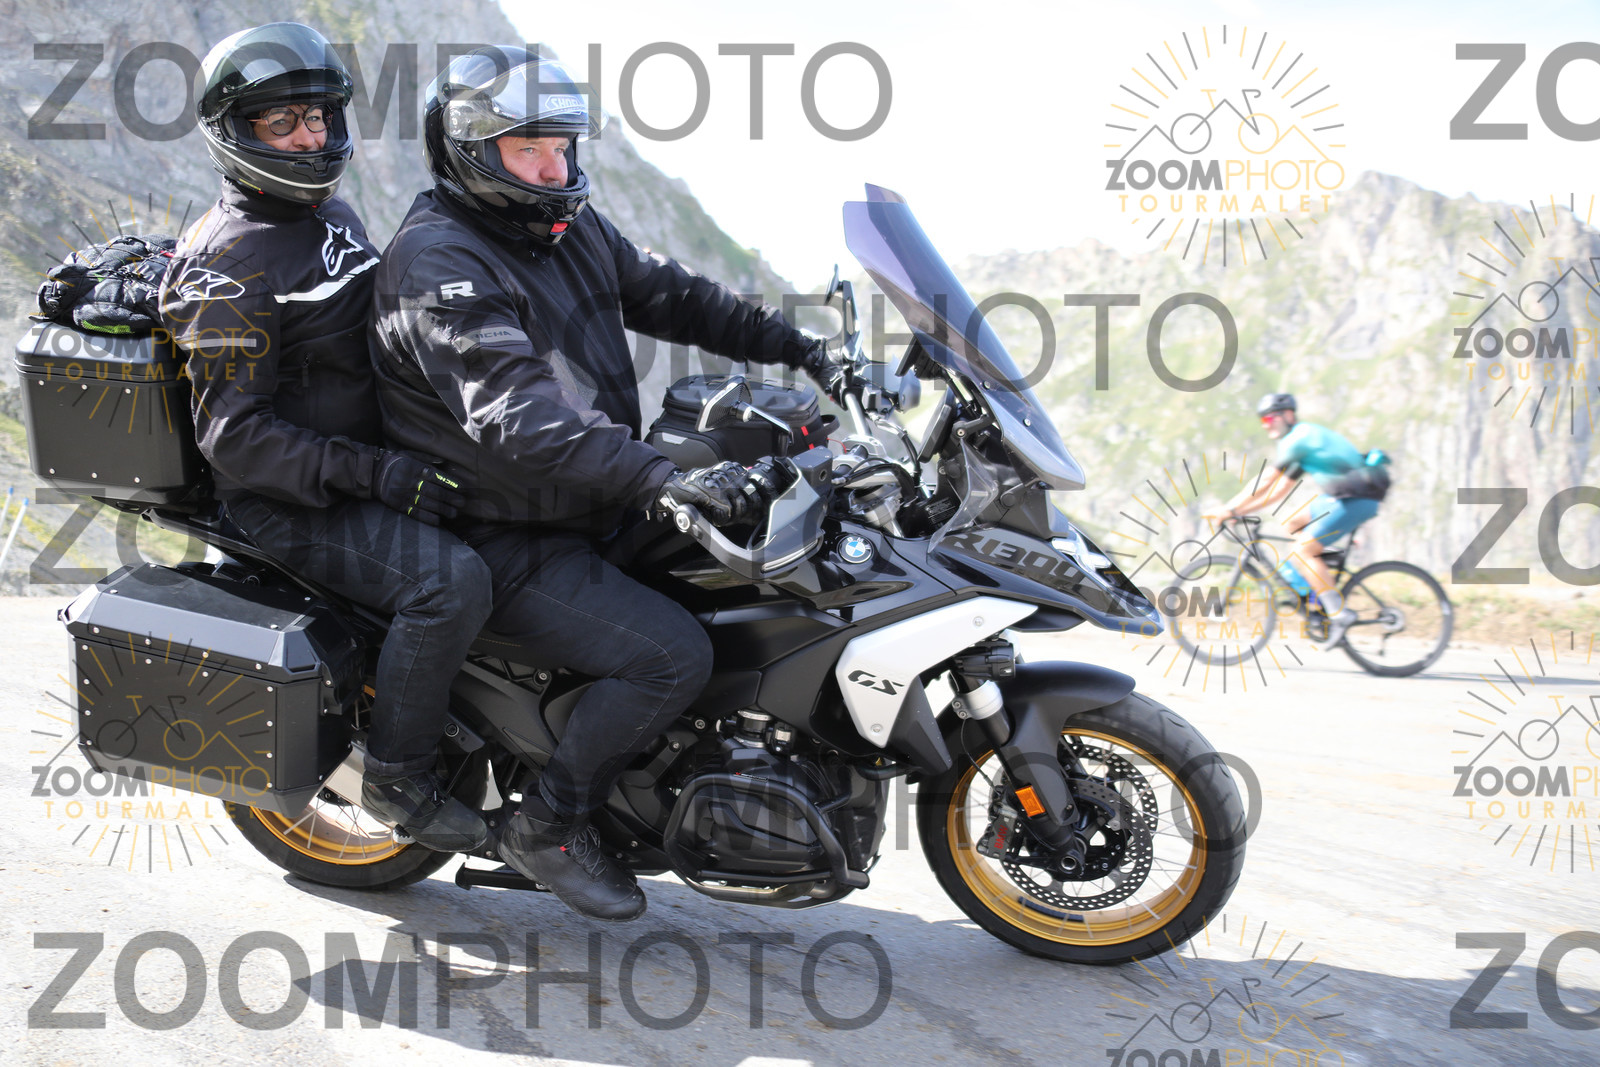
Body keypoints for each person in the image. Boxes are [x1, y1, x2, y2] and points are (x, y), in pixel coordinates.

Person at [368, 46, 831, 921]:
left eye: (562, 146)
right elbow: (519, 413)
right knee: (670, 653)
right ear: (470, 151)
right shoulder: (438, 262)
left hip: (586, 498)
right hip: (502, 530)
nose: (555, 168)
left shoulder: (563, 224)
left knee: (751, 567)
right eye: (529, 150)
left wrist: (804, 347)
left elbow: (677, 296)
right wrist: (657, 477)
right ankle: (550, 824)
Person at [159, 22, 494, 850]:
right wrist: (377, 473)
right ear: (235, 132)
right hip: (286, 501)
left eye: (317, 116)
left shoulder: (324, 212)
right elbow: (237, 438)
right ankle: (398, 777)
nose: (310, 137)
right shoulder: (228, 263)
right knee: (448, 584)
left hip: (374, 458)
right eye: (283, 122)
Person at [1204, 393, 1389, 650]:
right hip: (1342, 497)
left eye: (1270, 418)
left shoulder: (1299, 438)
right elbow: (1278, 491)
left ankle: (1338, 613)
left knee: (1303, 550)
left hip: (1355, 499)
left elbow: (1266, 480)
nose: (1266, 424)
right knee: (1292, 524)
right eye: (1262, 420)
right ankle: (1315, 582)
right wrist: (1238, 511)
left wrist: (1230, 508)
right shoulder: (1303, 443)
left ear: (1288, 415)